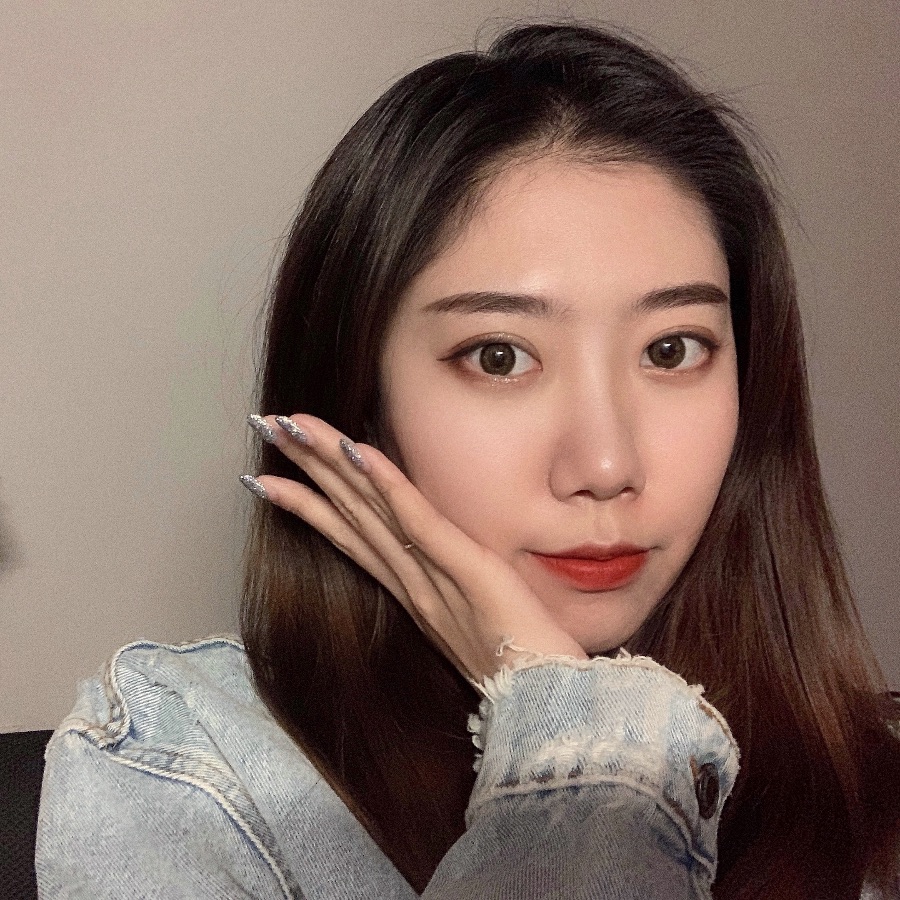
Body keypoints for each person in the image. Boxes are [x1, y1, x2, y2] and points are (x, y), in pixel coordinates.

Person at [36, 21, 899, 899]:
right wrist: (580, 749)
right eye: (499, 356)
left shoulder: (868, 782)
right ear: (361, 398)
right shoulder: (181, 766)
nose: (605, 465)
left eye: (672, 350)